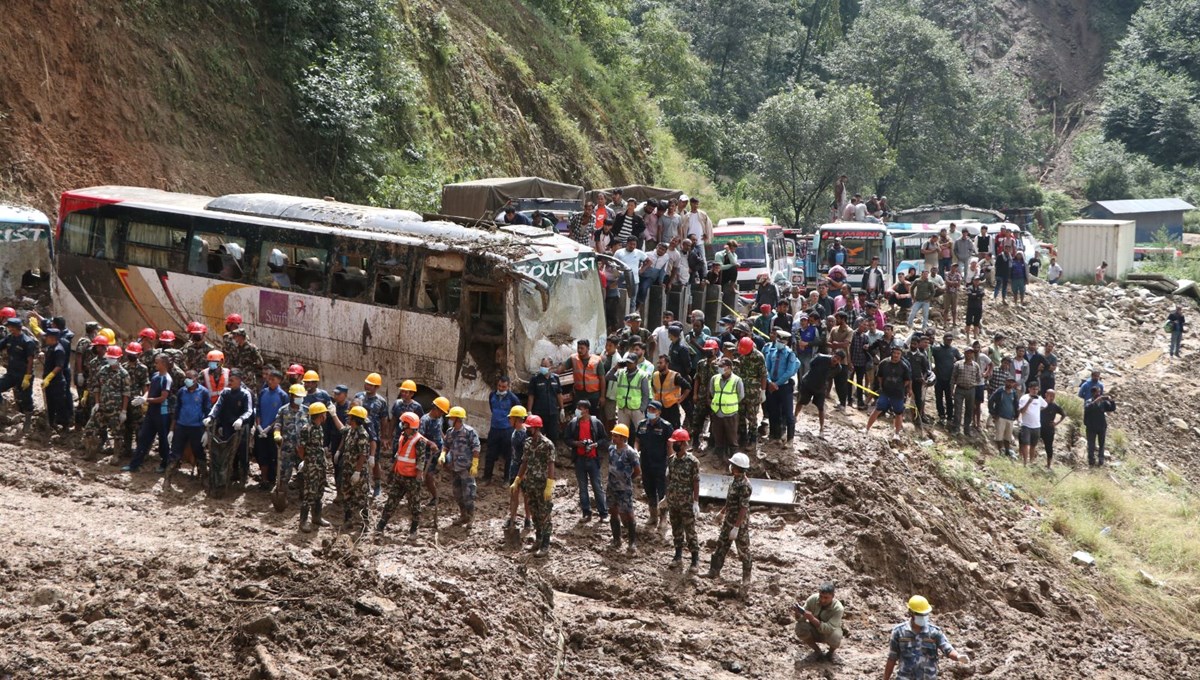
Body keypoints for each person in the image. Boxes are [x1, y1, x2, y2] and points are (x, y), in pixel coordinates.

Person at [376, 410, 434, 539]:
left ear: (410, 425)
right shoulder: (403, 436)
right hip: (399, 476)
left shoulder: (419, 441)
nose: (402, 424)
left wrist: (419, 477)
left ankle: (413, 530)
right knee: (391, 502)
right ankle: (380, 526)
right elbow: (399, 455)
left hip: (412, 479)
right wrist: (392, 471)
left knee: (414, 504)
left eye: (404, 423)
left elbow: (421, 460)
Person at [883, 596, 969, 680]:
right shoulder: (899, 631)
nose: (923, 617)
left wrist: (958, 656)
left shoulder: (934, 632)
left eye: (925, 614)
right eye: (920, 614)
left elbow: (947, 649)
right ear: (911, 613)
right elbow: (892, 658)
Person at [510, 415, 556, 556]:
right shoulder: (528, 443)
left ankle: (545, 545)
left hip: (542, 485)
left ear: (537, 428)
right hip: (530, 483)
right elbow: (524, 462)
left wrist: (549, 485)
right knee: (535, 514)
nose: (529, 431)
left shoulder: (547, 445)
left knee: (544, 515)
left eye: (531, 428)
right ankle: (539, 539)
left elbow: (551, 465)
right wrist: (518, 479)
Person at [706, 452, 753, 585]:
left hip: (739, 523)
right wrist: (722, 512)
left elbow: (743, 508)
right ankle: (714, 571)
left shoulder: (744, 485)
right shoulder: (735, 481)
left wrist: (737, 527)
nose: (730, 467)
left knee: (743, 550)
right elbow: (731, 500)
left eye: (732, 465)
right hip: (729, 519)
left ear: (737, 468)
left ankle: (746, 578)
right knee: (721, 546)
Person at [124, 353, 174, 472]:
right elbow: (150, 390)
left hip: (162, 413)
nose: (155, 364)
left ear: (164, 364)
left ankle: (164, 465)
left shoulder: (167, 379)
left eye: (157, 363)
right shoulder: (156, 375)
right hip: (151, 412)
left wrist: (146, 400)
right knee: (143, 437)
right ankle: (134, 465)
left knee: (163, 440)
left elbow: (163, 398)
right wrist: (143, 398)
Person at [81, 346, 131, 458]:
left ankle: (116, 456)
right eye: (109, 357)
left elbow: (126, 393)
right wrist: (97, 403)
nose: (110, 360)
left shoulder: (124, 374)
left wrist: (123, 411)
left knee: (118, 434)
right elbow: (97, 387)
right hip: (102, 408)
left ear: (119, 358)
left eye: (113, 358)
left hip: (116, 410)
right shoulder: (103, 370)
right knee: (89, 429)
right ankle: (90, 452)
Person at [565, 400, 608, 520]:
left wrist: (595, 444)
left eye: (580, 408)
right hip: (579, 459)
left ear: (587, 411)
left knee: (597, 487)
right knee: (582, 488)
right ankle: (586, 513)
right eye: (577, 407)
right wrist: (576, 443)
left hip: (593, 459)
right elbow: (566, 439)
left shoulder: (596, 423)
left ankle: (603, 513)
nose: (578, 410)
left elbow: (604, 439)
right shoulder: (573, 424)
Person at [664, 429, 700, 571]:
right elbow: (670, 479)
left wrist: (696, 502)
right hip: (673, 502)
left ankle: (694, 560)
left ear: (683, 444)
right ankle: (677, 556)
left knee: (690, 532)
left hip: (686, 503)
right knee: (676, 530)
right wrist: (666, 497)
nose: (674, 445)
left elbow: (696, 482)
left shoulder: (692, 462)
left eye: (676, 443)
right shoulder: (672, 460)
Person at [440, 406, 481, 528]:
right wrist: (443, 455)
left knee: (468, 494)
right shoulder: (450, 432)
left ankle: (471, 517)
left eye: (451, 418)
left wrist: (474, 464)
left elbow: (476, 448)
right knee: (457, 494)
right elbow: (446, 445)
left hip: (466, 468)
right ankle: (463, 515)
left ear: (457, 419)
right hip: (454, 468)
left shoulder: (469, 432)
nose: (450, 420)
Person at [166, 370, 210, 482]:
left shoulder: (203, 392)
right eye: (186, 377)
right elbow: (177, 411)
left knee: (199, 453)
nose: (187, 380)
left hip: (197, 427)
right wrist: (171, 430)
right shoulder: (182, 392)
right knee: (175, 452)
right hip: (181, 426)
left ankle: (204, 478)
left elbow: (207, 412)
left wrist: (206, 431)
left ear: (195, 379)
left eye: (189, 378)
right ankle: (167, 479)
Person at [295, 403, 333, 532]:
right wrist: (305, 460)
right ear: (321, 415)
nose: (326, 415)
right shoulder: (307, 428)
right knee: (309, 493)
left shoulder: (319, 428)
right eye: (325, 413)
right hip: (311, 465)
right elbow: (300, 447)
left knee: (319, 491)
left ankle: (317, 517)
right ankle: (303, 521)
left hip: (320, 464)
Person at [606, 423, 642, 553]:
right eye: (613, 435)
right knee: (613, 511)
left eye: (616, 436)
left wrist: (628, 479)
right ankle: (616, 539)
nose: (613, 438)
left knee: (629, 514)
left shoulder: (630, 453)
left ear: (623, 438)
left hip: (624, 488)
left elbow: (637, 470)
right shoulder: (611, 449)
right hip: (611, 486)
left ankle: (632, 542)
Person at [272, 384, 310, 499]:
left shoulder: (307, 411)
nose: (300, 398)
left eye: (301, 396)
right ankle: (282, 496)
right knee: (284, 474)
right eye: (297, 396)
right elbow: (277, 425)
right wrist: (277, 434)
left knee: (304, 473)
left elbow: (312, 428)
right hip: (287, 448)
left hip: (302, 449)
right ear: (291, 396)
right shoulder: (283, 410)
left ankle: (304, 497)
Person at [353, 372, 388, 496]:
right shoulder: (359, 397)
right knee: (357, 457)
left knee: (374, 461)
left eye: (371, 385)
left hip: (373, 435)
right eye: (366, 384)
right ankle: (359, 483)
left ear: (376, 387)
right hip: (358, 433)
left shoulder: (381, 402)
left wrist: (384, 437)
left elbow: (384, 419)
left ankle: (377, 484)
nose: (367, 386)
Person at [339, 404, 373, 534]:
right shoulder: (351, 430)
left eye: (350, 417)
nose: (348, 419)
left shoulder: (362, 434)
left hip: (358, 471)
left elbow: (363, 454)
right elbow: (342, 431)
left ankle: (365, 524)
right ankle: (348, 520)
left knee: (361, 497)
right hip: (348, 469)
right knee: (347, 495)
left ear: (356, 419)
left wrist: (357, 472)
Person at [0, 317, 37, 430]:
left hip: (23, 375)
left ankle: (28, 420)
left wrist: (27, 376)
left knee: (26, 398)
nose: (8, 328)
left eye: (10, 326)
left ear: (15, 328)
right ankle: (2, 411)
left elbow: (30, 360)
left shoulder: (27, 341)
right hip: (11, 373)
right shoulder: (9, 338)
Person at [794, 583, 845, 663]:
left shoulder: (838, 608)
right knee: (800, 627)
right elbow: (801, 620)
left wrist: (812, 618)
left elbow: (828, 628)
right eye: (821, 596)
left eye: (826, 597)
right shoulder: (813, 599)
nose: (822, 600)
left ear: (833, 596)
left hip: (829, 633)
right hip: (814, 630)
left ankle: (831, 653)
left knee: (836, 636)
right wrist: (797, 613)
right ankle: (817, 652)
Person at [866, 345, 911, 436]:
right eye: (894, 353)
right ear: (891, 353)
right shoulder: (884, 363)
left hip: (898, 394)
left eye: (898, 353)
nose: (896, 355)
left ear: (901, 355)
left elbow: (907, 380)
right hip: (885, 392)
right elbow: (880, 376)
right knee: (877, 410)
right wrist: (883, 386)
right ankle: (866, 429)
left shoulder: (904, 366)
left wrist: (900, 387)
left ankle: (897, 434)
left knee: (898, 413)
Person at [709, 358, 744, 459]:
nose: (719, 368)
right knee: (718, 438)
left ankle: (733, 460)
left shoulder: (737, 380)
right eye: (719, 366)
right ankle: (719, 458)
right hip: (717, 413)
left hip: (730, 414)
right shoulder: (714, 378)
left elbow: (740, 396)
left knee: (732, 439)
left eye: (721, 367)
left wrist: (729, 403)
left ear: (728, 368)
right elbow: (712, 392)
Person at [651, 355, 690, 430]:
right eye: (658, 363)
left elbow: (688, 387)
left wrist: (680, 399)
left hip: (672, 408)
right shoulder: (655, 375)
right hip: (659, 408)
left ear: (667, 364)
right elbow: (653, 386)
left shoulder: (675, 376)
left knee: (674, 429)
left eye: (661, 363)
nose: (658, 365)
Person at [566, 338, 604, 413]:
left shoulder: (597, 360)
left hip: (593, 395)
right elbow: (562, 368)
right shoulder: (573, 358)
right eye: (578, 348)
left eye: (582, 348)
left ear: (588, 348)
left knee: (593, 417)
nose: (579, 350)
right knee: (579, 416)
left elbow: (602, 379)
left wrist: (602, 397)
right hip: (579, 395)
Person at [931, 334, 960, 426]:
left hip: (949, 380)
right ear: (943, 339)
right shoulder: (936, 349)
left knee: (949, 398)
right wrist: (932, 367)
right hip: (938, 378)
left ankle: (950, 417)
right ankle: (941, 416)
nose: (949, 341)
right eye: (947, 339)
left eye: (950, 340)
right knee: (938, 398)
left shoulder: (954, 350)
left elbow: (961, 360)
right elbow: (928, 356)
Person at [1015, 381, 1046, 466]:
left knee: (1033, 445)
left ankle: (1031, 462)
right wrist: (1029, 402)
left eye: (1036, 389)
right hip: (1026, 425)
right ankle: (1025, 462)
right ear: (1029, 389)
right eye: (1033, 389)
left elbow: (1045, 405)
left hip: (1036, 425)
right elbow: (1021, 411)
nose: (1035, 391)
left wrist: (1038, 410)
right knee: (1025, 444)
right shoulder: (1024, 398)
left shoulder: (1039, 398)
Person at [1084, 387, 1116, 467]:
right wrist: (1096, 401)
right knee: (1091, 444)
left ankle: (1101, 460)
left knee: (1102, 444)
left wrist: (1111, 401)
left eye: (1099, 392)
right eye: (1097, 392)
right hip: (1091, 427)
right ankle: (1091, 461)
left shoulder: (1103, 403)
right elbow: (1087, 408)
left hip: (1101, 426)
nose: (1099, 394)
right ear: (1093, 393)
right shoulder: (1088, 402)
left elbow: (1112, 408)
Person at [988, 376, 1019, 458]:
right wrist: (993, 413)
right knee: (999, 435)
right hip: (1000, 417)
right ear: (1005, 382)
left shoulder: (1014, 393)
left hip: (1010, 417)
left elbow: (1016, 405)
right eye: (1009, 382)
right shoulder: (1000, 391)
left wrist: (1016, 415)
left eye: (1012, 382)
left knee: (1008, 436)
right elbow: (991, 400)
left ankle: (1007, 451)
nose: (1010, 384)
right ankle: (1000, 451)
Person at [906, 335, 932, 430]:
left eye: (915, 344)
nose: (913, 345)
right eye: (912, 343)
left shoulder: (921, 356)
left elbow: (926, 370)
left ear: (918, 345)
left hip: (917, 381)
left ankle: (918, 418)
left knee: (918, 400)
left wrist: (923, 379)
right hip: (906, 380)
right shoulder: (906, 354)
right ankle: (902, 415)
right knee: (904, 397)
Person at [964, 277, 985, 342]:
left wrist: (975, 295)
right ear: (973, 281)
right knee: (968, 322)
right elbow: (969, 294)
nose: (977, 282)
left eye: (978, 280)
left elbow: (982, 294)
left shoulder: (981, 288)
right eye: (975, 280)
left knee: (976, 322)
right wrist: (977, 295)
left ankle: (975, 335)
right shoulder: (970, 287)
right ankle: (967, 336)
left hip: (978, 307)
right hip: (971, 307)